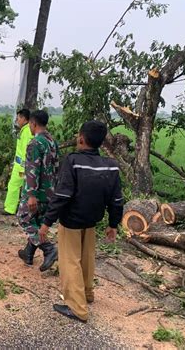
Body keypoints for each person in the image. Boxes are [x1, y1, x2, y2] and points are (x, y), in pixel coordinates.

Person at [39, 120, 123, 323]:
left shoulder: (73, 160)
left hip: (71, 221)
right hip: (91, 221)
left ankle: (77, 308)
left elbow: (62, 195)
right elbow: (117, 199)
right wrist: (113, 224)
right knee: (87, 258)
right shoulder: (111, 166)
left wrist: (46, 222)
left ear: (81, 138)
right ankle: (87, 294)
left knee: (70, 262)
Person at [17, 110, 59, 272]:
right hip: (50, 192)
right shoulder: (52, 142)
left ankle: (49, 249)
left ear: (33, 124)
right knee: (37, 221)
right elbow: (56, 168)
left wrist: (31, 195)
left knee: (24, 218)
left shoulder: (35, 143)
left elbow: (32, 170)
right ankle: (28, 253)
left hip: (37, 192)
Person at [2, 108, 33, 215]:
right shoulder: (25, 130)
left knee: (15, 186)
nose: (17, 120)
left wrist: (24, 166)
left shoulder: (27, 131)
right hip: (20, 164)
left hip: (22, 166)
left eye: (18, 118)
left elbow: (26, 150)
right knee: (18, 186)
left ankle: (11, 209)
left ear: (24, 118)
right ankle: (14, 207)